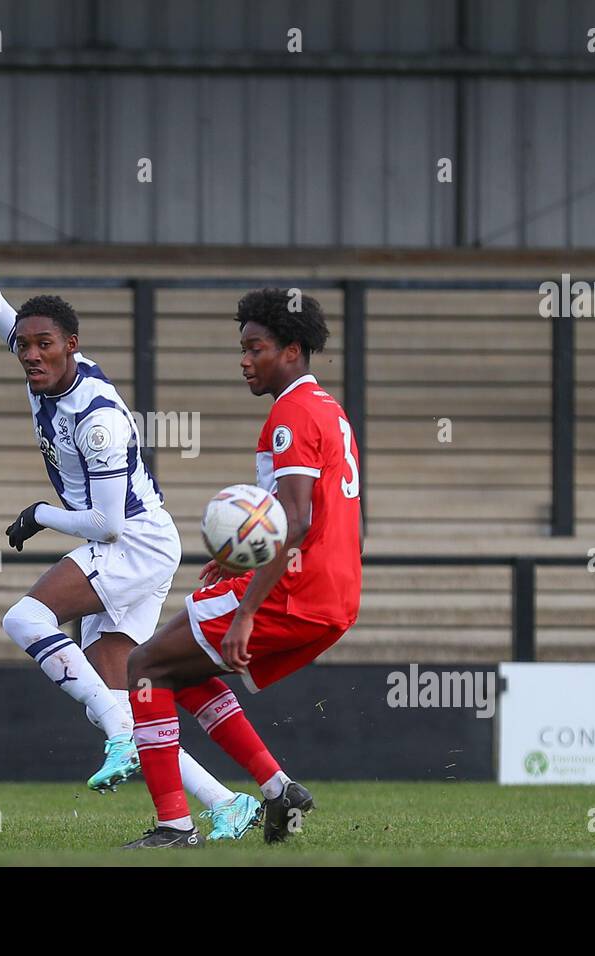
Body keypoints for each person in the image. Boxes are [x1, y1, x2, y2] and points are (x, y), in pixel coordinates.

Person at [0, 174, 261, 839]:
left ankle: (121, 735)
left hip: (134, 543)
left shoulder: (95, 417)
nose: (30, 354)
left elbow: (108, 524)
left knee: (25, 616)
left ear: (71, 346)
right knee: (120, 699)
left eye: (43, 345)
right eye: (24, 345)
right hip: (131, 544)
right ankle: (226, 806)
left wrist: (40, 514)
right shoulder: (37, 363)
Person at [121, 289, 363, 849]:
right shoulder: (328, 407)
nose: (245, 359)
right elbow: (304, 514)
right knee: (178, 673)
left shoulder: (292, 413)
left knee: (144, 666)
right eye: (243, 348)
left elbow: (296, 520)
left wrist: (247, 610)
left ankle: (175, 828)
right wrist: (234, 557)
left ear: (293, 350)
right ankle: (278, 790)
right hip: (333, 595)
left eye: (257, 347)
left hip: (294, 590)